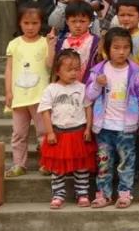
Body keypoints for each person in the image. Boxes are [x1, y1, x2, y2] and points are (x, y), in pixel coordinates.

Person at [84, 27, 139, 208]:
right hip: (103, 126)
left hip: (126, 126)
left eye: (126, 47)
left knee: (126, 162)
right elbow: (89, 96)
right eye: (116, 48)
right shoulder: (98, 71)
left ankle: (125, 194)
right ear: (107, 49)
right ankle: (103, 195)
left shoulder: (136, 72)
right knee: (104, 162)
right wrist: (97, 84)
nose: (121, 52)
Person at [38, 49, 96, 209]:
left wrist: (88, 128)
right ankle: (58, 194)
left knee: (82, 166)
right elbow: (45, 112)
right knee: (58, 168)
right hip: (58, 134)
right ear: (57, 70)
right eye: (69, 69)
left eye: (77, 69)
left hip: (79, 132)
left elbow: (88, 108)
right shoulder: (51, 89)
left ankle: (82, 193)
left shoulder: (82, 88)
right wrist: (49, 132)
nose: (73, 73)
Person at [3, 2, 55, 178]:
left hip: (41, 96)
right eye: (26, 23)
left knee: (43, 132)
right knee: (18, 133)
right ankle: (19, 164)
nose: (30, 27)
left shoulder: (44, 42)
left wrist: (51, 46)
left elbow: (50, 65)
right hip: (19, 97)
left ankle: (46, 163)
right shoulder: (14, 44)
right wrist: (8, 92)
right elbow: (9, 69)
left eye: (35, 23)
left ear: (41, 23)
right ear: (19, 23)